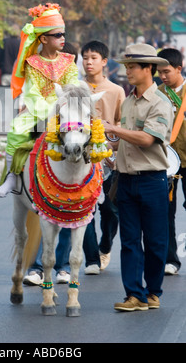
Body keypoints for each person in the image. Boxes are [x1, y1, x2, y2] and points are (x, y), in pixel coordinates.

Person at [103, 43, 173, 311]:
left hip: (153, 181)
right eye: (127, 66)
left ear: (149, 69)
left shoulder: (160, 102)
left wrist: (114, 130)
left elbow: (146, 139)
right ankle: (134, 295)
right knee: (130, 241)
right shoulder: (129, 100)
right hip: (126, 180)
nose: (128, 71)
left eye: (132, 66)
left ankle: (153, 291)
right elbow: (127, 142)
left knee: (155, 243)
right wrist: (103, 145)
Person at [0, 3, 79, 198]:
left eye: (63, 34)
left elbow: (73, 86)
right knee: (16, 130)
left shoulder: (69, 60)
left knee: (90, 132)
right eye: (57, 35)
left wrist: (64, 107)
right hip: (39, 108)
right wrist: (50, 111)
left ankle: (94, 179)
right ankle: (12, 176)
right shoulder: (32, 63)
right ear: (43, 38)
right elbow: (32, 92)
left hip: (67, 106)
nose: (63, 39)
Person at [81, 41, 125, 275]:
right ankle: (91, 260)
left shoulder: (116, 91)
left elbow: (121, 124)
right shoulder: (76, 88)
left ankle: (105, 246)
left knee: (110, 209)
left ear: (104, 61)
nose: (89, 62)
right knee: (85, 210)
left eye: (94, 58)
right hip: (82, 161)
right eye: (85, 58)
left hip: (108, 159)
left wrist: (112, 148)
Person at [157, 48, 186, 275]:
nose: (163, 76)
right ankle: (170, 260)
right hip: (166, 161)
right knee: (166, 211)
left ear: (179, 68)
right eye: (159, 73)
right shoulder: (157, 94)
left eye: (167, 71)